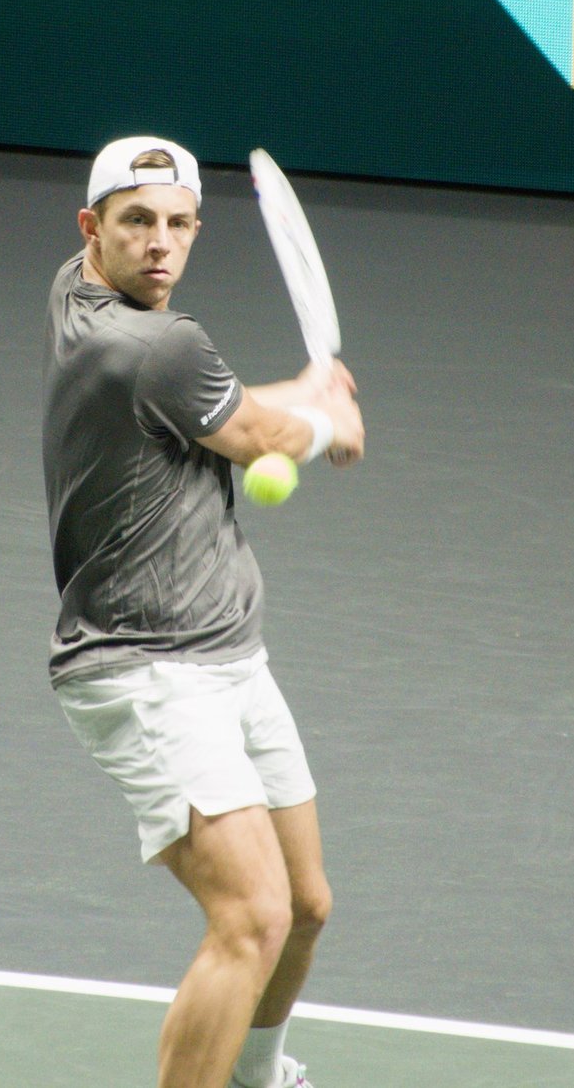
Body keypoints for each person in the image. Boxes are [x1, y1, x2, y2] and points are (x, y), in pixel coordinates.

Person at [42, 136, 365, 1088]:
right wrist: (324, 423)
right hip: (145, 672)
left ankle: (255, 1076)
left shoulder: (75, 293)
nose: (161, 245)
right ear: (92, 226)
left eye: (180, 224)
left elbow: (214, 416)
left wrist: (299, 400)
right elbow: (255, 435)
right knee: (251, 917)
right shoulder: (155, 343)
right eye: (137, 222)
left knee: (304, 906)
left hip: (231, 656)